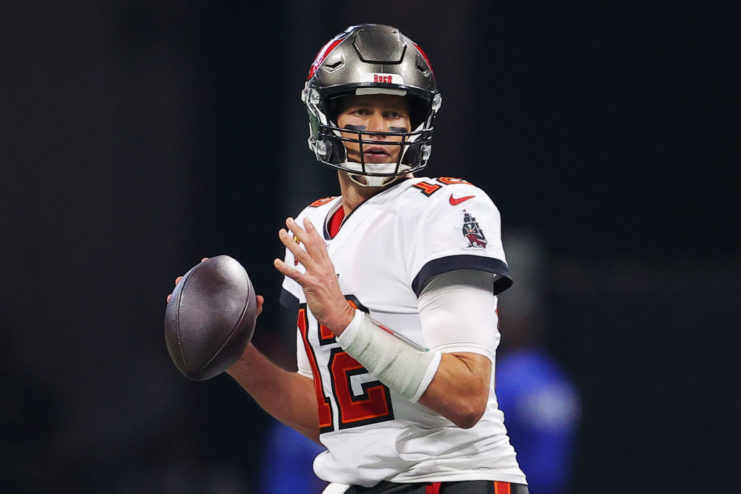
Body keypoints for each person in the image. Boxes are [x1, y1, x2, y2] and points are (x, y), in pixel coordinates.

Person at [175, 24, 529, 493]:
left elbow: (467, 398)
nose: (380, 129)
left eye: (393, 113)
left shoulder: (446, 208)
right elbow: (333, 420)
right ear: (327, 119)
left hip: (451, 478)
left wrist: (343, 319)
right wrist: (236, 353)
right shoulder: (312, 226)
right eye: (362, 110)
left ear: (416, 123)